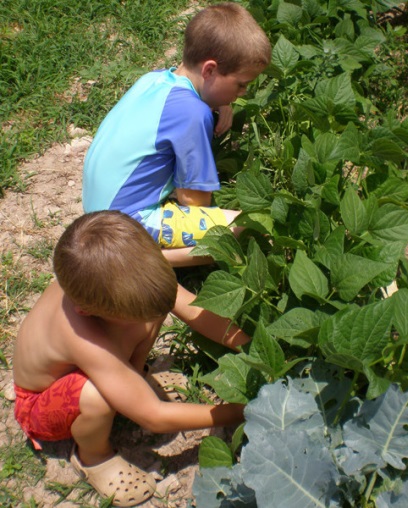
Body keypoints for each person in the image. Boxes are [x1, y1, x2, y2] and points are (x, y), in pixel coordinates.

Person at [13, 211, 245, 507]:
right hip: (41, 402)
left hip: (97, 361)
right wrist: (239, 411)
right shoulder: (80, 336)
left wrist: (250, 346)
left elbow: (195, 309)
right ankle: (93, 456)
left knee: (152, 309)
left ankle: (130, 381)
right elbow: (153, 416)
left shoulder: (122, 275)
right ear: (86, 309)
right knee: (96, 395)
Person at [82, 2, 271, 351]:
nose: (243, 94)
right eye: (242, 86)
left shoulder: (154, 80)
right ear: (211, 70)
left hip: (95, 214)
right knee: (250, 226)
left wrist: (220, 102)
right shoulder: (193, 114)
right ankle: (150, 260)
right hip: (125, 227)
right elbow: (194, 202)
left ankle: (143, 257)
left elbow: (193, 101)